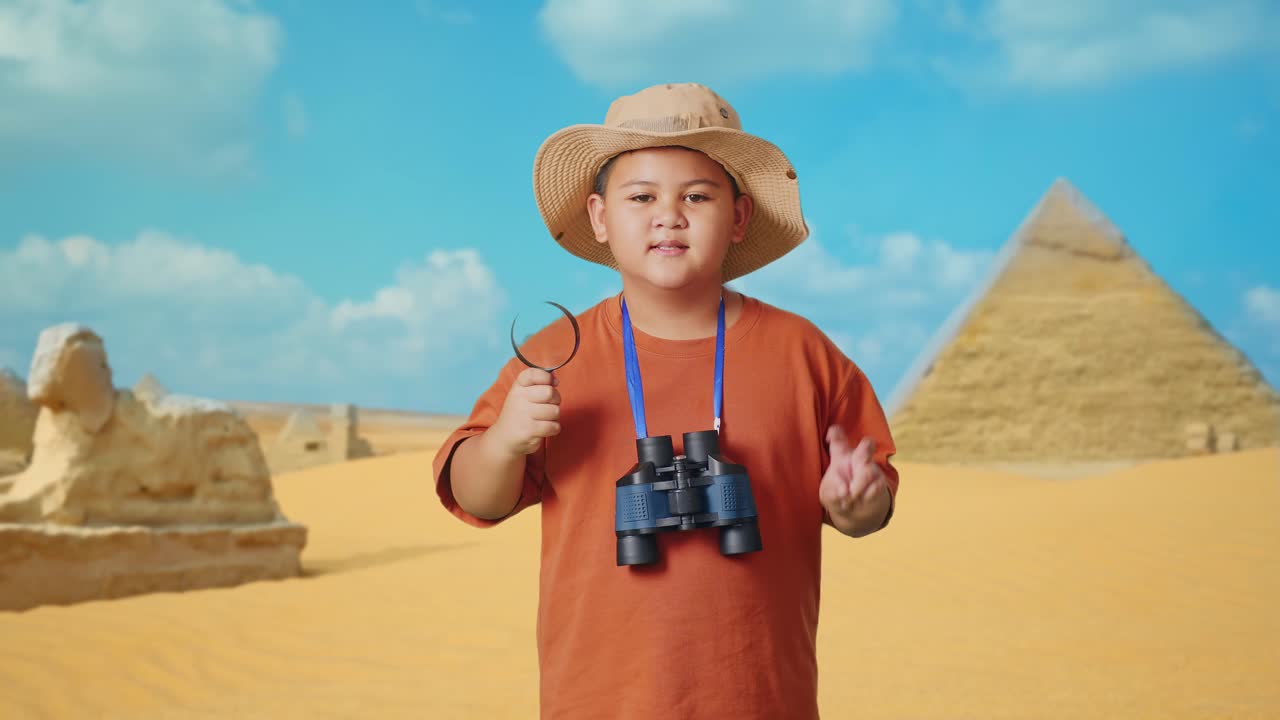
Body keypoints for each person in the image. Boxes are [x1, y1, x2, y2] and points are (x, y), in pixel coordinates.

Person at [432, 82, 900, 719]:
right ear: (600, 217)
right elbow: (473, 496)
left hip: (760, 698)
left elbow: (870, 510)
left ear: (739, 218)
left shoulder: (802, 352)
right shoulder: (554, 353)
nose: (668, 215)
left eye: (698, 196)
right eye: (642, 196)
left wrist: (858, 503)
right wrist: (504, 441)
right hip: (600, 698)